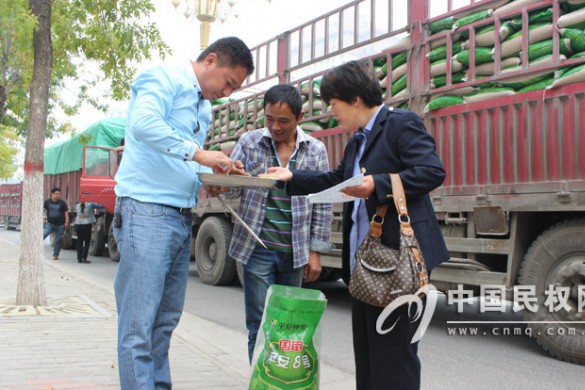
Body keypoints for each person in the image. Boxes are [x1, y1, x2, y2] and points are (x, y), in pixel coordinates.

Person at [267, 60, 450, 390]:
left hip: (398, 264)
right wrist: (292, 177)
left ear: (353, 99)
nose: (331, 112)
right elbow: (338, 179)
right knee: (367, 355)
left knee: (395, 359)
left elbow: (431, 170)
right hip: (365, 265)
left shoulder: (400, 124)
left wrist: (377, 184)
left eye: (333, 104)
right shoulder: (357, 141)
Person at [112, 36, 254, 389]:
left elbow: (180, 159)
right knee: (138, 326)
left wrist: (210, 179)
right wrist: (200, 154)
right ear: (211, 60)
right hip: (146, 211)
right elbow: (143, 125)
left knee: (164, 323)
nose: (227, 92)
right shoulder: (164, 78)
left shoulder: (203, 108)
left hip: (178, 216)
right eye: (229, 82)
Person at [222, 84, 333, 363]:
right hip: (257, 248)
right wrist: (225, 179)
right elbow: (232, 189)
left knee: (288, 324)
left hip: (295, 252)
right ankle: (260, 380)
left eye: (283, 121)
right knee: (259, 324)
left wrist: (315, 250)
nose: (275, 126)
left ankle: (282, 377)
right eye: (269, 118)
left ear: (300, 116)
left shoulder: (315, 150)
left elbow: (322, 202)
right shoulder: (249, 142)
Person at [43, 187, 69, 260]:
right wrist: (43, 218)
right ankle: (36, 249)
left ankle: (55, 254)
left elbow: (66, 213)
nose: (58, 195)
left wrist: (66, 222)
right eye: (56, 194)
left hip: (61, 225)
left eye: (59, 194)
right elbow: (44, 211)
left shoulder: (62, 203)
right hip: (50, 223)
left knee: (58, 240)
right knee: (43, 234)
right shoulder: (47, 202)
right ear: (52, 194)